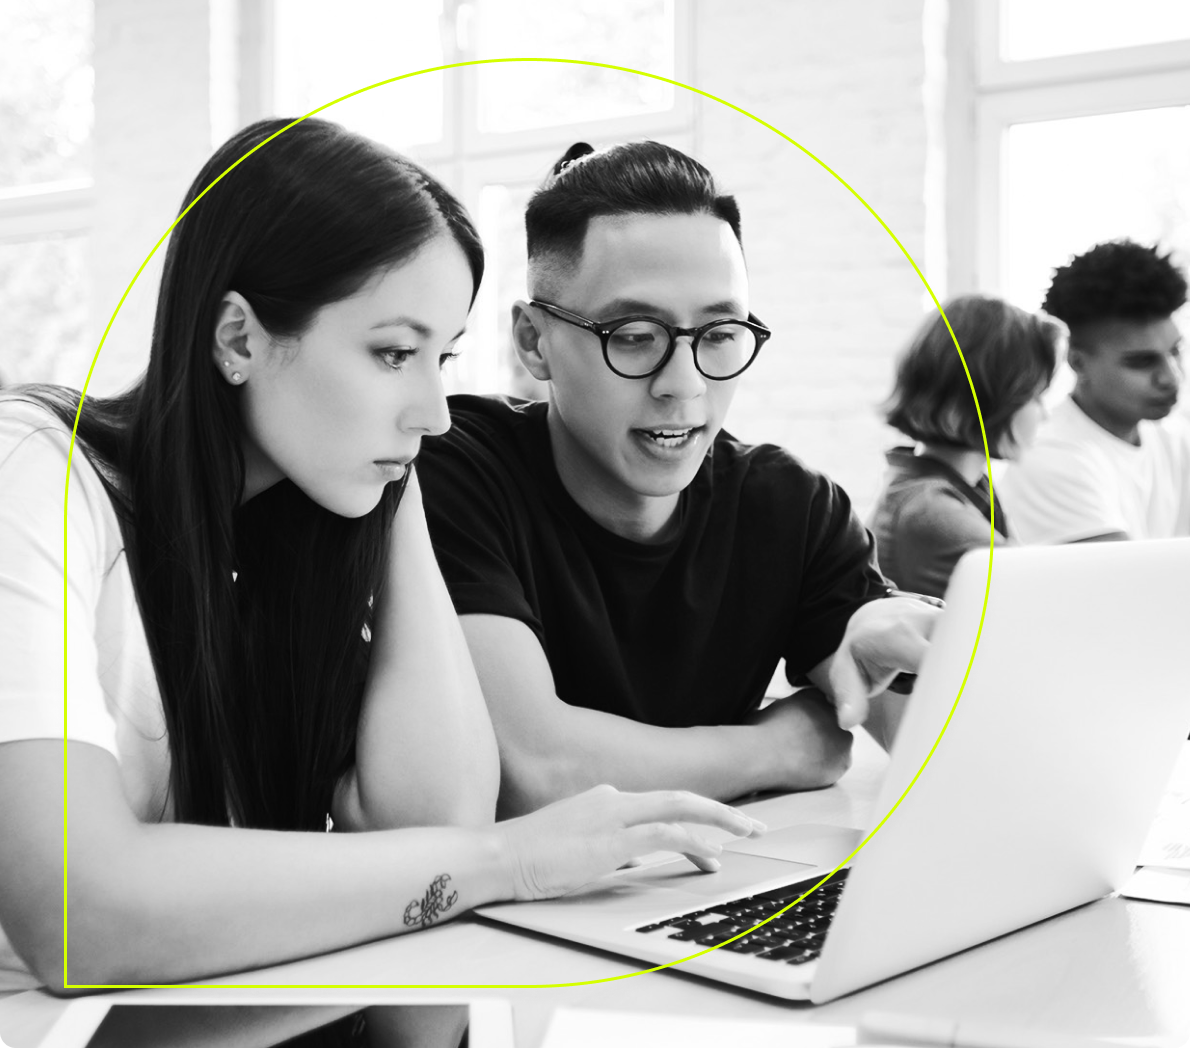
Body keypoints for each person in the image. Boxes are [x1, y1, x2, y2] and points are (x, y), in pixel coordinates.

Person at [0, 119, 763, 999]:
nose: (436, 413)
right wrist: (508, 860)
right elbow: (77, 918)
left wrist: (397, 500)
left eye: (442, 358)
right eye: (394, 353)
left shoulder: (299, 522)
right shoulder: (35, 472)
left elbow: (432, 819)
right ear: (239, 339)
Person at [417, 141, 939, 819]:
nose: (684, 386)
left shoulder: (790, 505)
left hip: (714, 884)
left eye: (720, 332)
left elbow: (938, 752)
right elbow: (536, 768)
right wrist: (780, 747)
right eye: (634, 335)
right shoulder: (455, 468)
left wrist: (901, 643)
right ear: (533, 341)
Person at [868, 294, 1064, 599]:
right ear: (992, 399)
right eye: (1036, 396)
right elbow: (1043, 602)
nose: (1044, 413)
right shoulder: (931, 510)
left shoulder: (960, 488)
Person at [998, 240, 1190, 543]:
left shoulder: (1174, 440)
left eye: (1176, 351)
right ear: (1077, 361)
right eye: (1142, 361)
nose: (1171, 377)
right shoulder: (1050, 456)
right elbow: (1135, 584)